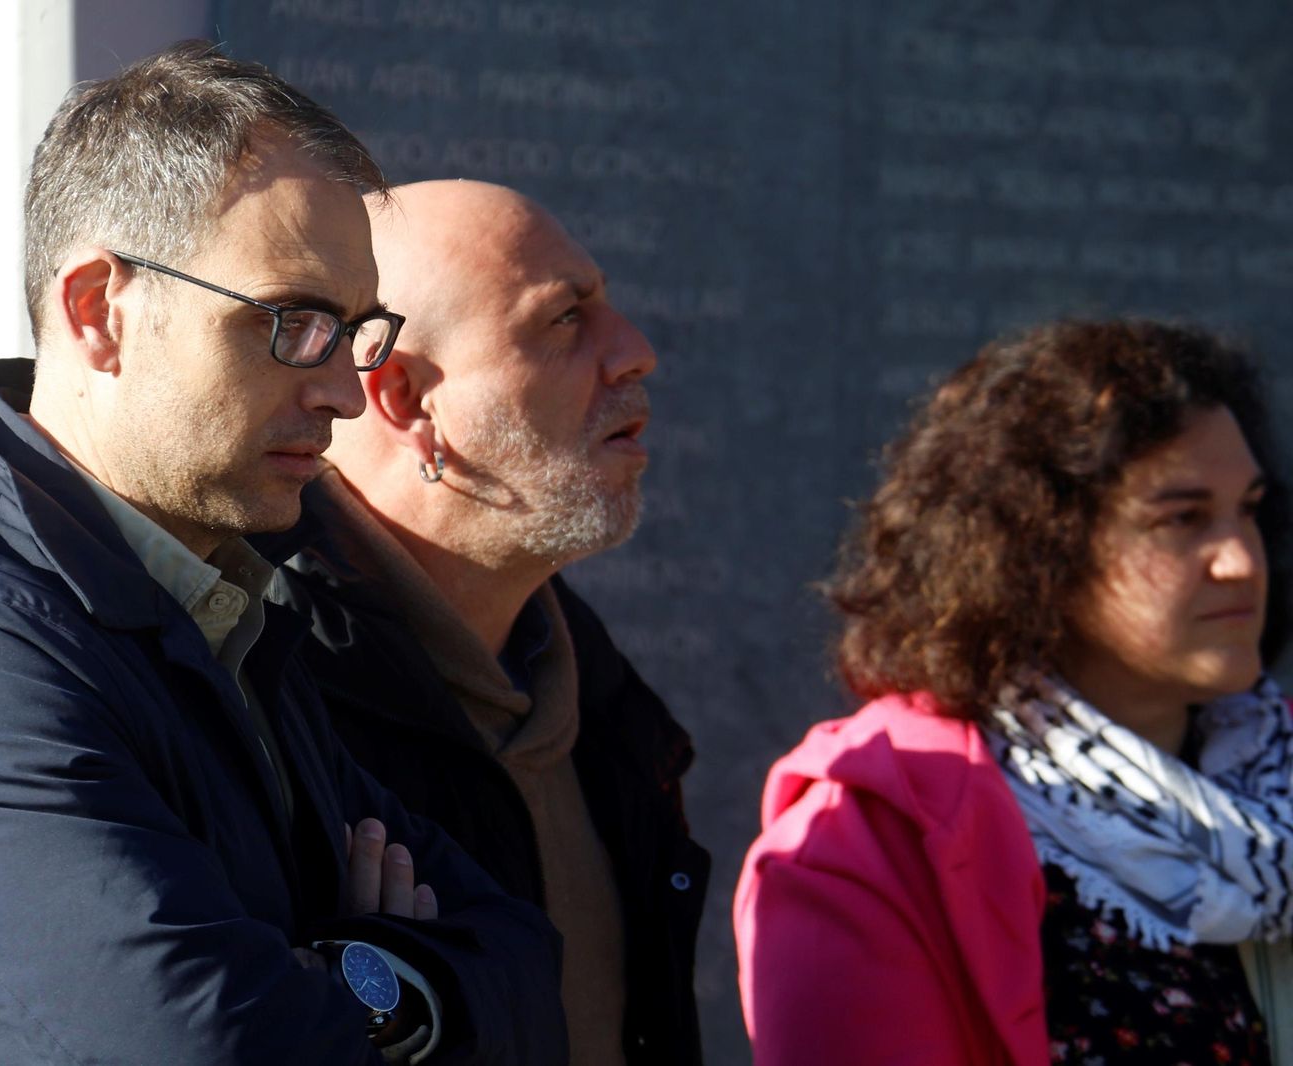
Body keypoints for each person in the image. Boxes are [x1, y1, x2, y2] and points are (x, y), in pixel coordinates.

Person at [0, 44, 564, 1066]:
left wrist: (354, 981)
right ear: (97, 311)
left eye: (353, 329)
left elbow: (524, 958)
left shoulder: (230, 606)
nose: (342, 390)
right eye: (292, 322)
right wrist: (390, 969)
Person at [734, 319, 1293, 1065]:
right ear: (1037, 548)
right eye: (1182, 519)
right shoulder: (862, 848)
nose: (1240, 561)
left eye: (1248, 510)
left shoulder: (1275, 770)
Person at [259, 179, 709, 1066]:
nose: (635, 354)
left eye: (607, 307)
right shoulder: (261, 696)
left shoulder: (607, 709)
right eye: (563, 320)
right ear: (405, 399)